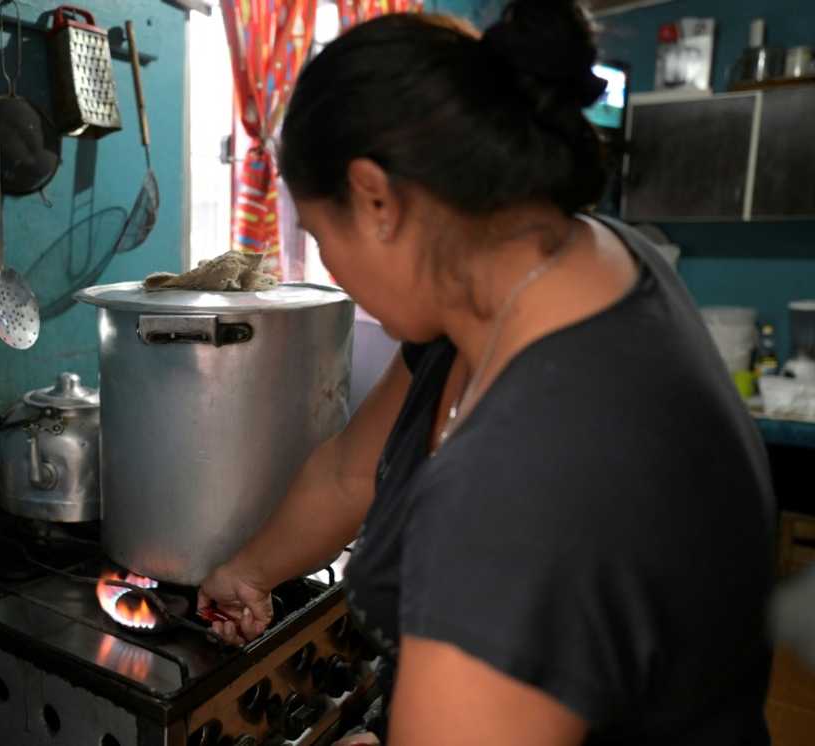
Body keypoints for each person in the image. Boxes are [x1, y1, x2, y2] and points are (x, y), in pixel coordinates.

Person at [196, 1, 776, 744]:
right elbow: (350, 471)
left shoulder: (521, 490)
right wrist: (246, 571)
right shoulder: (544, 272)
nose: (330, 267)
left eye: (318, 232)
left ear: (376, 199)